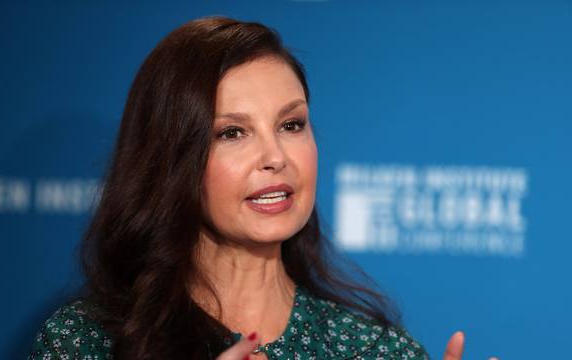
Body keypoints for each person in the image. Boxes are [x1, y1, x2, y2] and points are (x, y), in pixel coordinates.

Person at [28, 16, 465, 360]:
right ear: (171, 158)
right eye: (232, 133)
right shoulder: (86, 343)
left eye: (291, 125)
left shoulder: (374, 352)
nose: (275, 157)